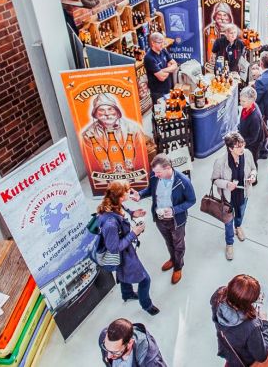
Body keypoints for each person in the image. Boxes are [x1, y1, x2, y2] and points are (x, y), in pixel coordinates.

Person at [130, 154, 196, 285]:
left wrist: (174, 210)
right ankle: (172, 259)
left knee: (179, 245)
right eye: (154, 172)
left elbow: (192, 200)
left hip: (176, 220)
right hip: (160, 218)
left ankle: (178, 266)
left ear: (168, 168)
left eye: (158, 172)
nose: (155, 175)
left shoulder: (183, 181)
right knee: (168, 241)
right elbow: (150, 190)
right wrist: (140, 195)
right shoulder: (155, 176)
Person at [96, 181, 159, 315]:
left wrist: (133, 213)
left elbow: (122, 211)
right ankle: (147, 305)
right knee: (145, 279)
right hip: (123, 256)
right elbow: (114, 248)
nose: (129, 192)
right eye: (127, 191)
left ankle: (127, 294)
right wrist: (133, 233)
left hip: (126, 253)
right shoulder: (110, 224)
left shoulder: (112, 204)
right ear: (120, 197)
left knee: (123, 275)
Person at [212, 132, 257, 261]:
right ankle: (229, 243)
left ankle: (238, 227)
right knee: (228, 221)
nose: (242, 148)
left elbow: (254, 169)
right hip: (228, 197)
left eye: (242, 145)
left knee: (240, 214)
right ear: (230, 148)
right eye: (238, 146)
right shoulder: (220, 161)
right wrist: (226, 184)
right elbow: (214, 179)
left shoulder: (247, 154)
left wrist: (253, 176)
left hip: (243, 193)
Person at [211, 275, 268, 367]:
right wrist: (264, 323)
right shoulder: (251, 325)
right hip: (245, 360)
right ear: (245, 304)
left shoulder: (218, 295)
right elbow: (261, 356)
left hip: (228, 349)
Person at [81, 93, 147, 174]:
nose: (107, 113)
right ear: (95, 114)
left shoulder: (133, 128)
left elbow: (141, 153)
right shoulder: (88, 134)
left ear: (117, 111)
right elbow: (92, 160)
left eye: (110, 109)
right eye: (101, 110)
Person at [99, 318, 167, 366]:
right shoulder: (104, 336)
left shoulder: (151, 362)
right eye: (105, 347)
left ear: (130, 343)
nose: (109, 356)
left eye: (115, 352)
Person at [144, 32, 178, 104]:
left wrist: (163, 70)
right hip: (158, 92)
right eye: (159, 42)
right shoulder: (149, 58)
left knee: (169, 110)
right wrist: (169, 68)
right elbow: (161, 78)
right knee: (160, 113)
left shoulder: (163, 50)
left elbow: (175, 65)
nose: (162, 44)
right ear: (153, 43)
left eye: (163, 42)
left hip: (168, 87)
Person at [238, 87, 264, 166]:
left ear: (252, 101)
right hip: (245, 139)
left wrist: (240, 143)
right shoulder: (247, 106)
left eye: (243, 101)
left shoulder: (254, 117)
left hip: (253, 145)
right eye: (240, 100)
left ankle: (253, 177)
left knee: (252, 162)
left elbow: (253, 138)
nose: (241, 103)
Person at [204, 1, 234, 71]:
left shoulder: (234, 30)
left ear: (229, 17)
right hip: (213, 65)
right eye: (219, 15)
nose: (222, 18)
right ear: (215, 16)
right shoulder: (209, 30)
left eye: (225, 15)